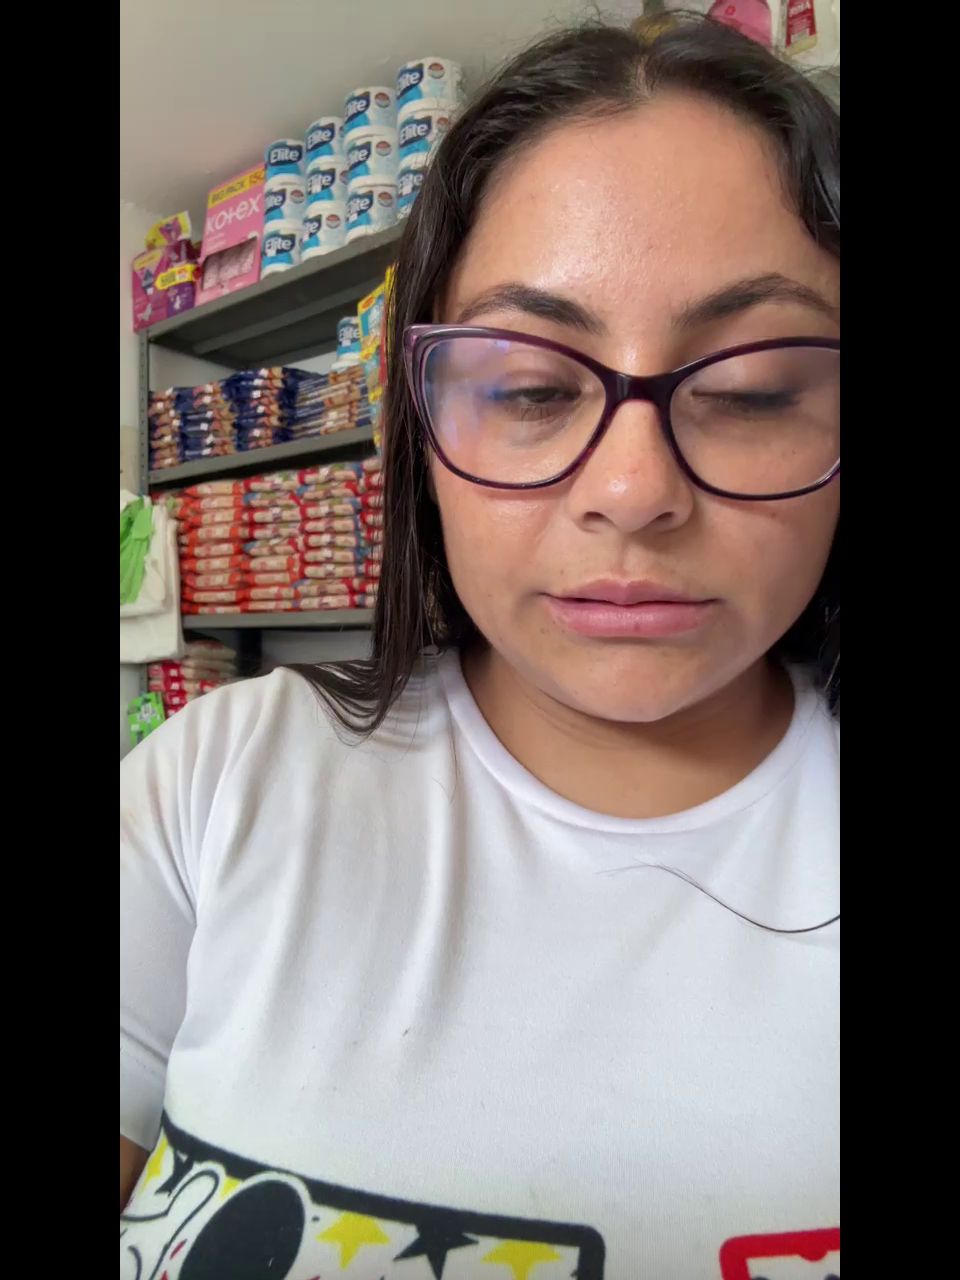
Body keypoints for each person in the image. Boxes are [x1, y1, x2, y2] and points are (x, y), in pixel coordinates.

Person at [120, 15, 839, 1278]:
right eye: (529, 387)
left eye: (750, 390)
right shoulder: (217, 780)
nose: (632, 491)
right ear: (419, 427)